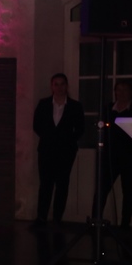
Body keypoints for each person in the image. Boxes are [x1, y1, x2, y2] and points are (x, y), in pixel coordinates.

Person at [32, 72, 85, 226]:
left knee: (62, 184)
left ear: (66, 86)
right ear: (52, 86)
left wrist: (67, 140)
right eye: (56, 84)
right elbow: (36, 125)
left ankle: (57, 218)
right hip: (46, 150)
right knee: (45, 184)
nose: (59, 87)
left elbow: (80, 128)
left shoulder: (75, 106)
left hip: (66, 151)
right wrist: (49, 137)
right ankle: (41, 217)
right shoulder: (43, 104)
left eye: (62, 84)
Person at [93, 80, 132, 228]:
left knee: (128, 192)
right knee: (101, 190)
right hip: (110, 157)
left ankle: (125, 225)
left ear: (131, 92)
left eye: (125, 90)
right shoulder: (108, 109)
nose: (121, 93)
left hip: (130, 158)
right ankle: (96, 222)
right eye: (118, 90)